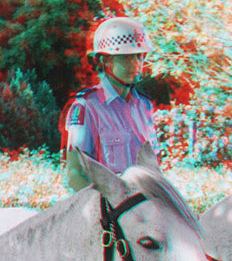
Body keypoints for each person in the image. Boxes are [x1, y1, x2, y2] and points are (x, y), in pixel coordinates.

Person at [61, 17, 159, 191]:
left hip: (144, 208)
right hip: (108, 210)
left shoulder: (144, 107)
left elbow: (154, 169)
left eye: (139, 56)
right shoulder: (86, 107)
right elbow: (75, 175)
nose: (135, 64)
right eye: (125, 57)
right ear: (103, 61)